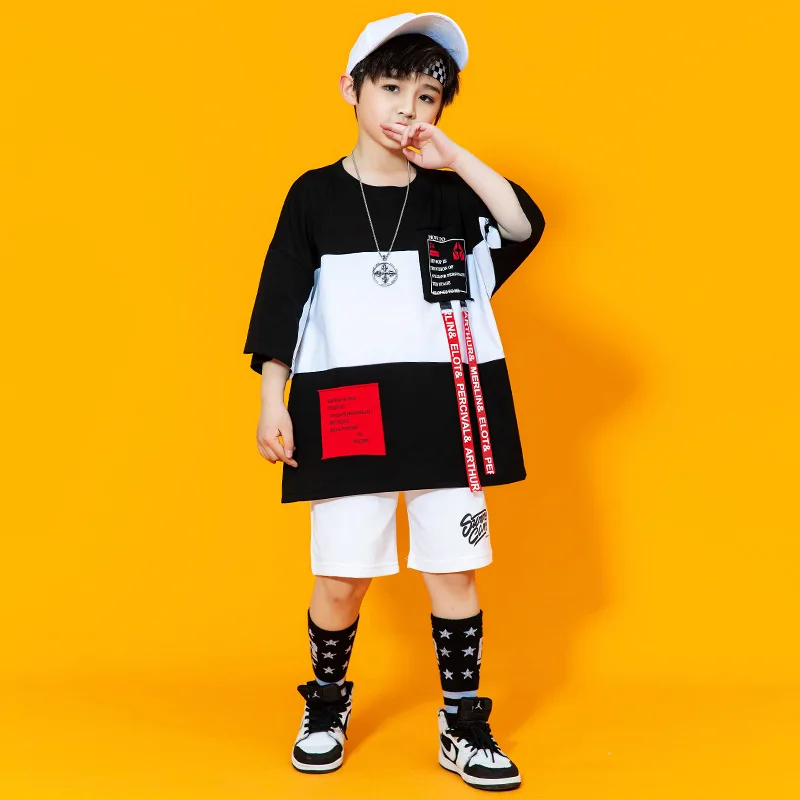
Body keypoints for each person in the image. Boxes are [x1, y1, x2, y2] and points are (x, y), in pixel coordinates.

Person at [242, 11, 545, 792]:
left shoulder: (450, 197)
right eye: (391, 88)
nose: (409, 109)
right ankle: (325, 706)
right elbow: (281, 303)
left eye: (428, 96)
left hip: (448, 410)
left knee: (455, 572)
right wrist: (273, 400)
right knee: (342, 577)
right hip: (346, 410)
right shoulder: (313, 196)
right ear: (351, 89)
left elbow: (521, 224)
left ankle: (462, 724)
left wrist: (457, 158)